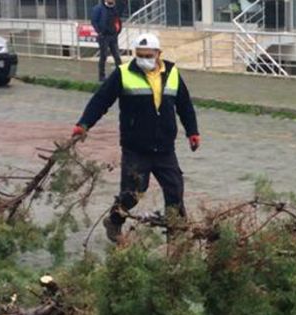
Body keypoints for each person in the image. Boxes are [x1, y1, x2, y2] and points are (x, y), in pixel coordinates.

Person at [72, 33, 201, 243]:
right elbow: (101, 100)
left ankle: (176, 238)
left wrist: (192, 132)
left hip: (165, 148)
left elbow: (185, 105)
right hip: (135, 148)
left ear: (158, 54)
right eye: (139, 55)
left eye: (148, 55)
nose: (143, 59)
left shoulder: (172, 73)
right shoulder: (123, 73)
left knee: (175, 191)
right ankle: (114, 221)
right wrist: (84, 124)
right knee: (132, 194)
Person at [91, 0, 122, 82]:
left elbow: (118, 20)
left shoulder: (115, 8)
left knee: (117, 56)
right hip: (104, 36)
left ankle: (120, 75)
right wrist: (100, 32)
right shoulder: (98, 8)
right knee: (103, 56)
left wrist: (117, 32)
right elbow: (94, 21)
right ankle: (101, 76)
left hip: (113, 36)